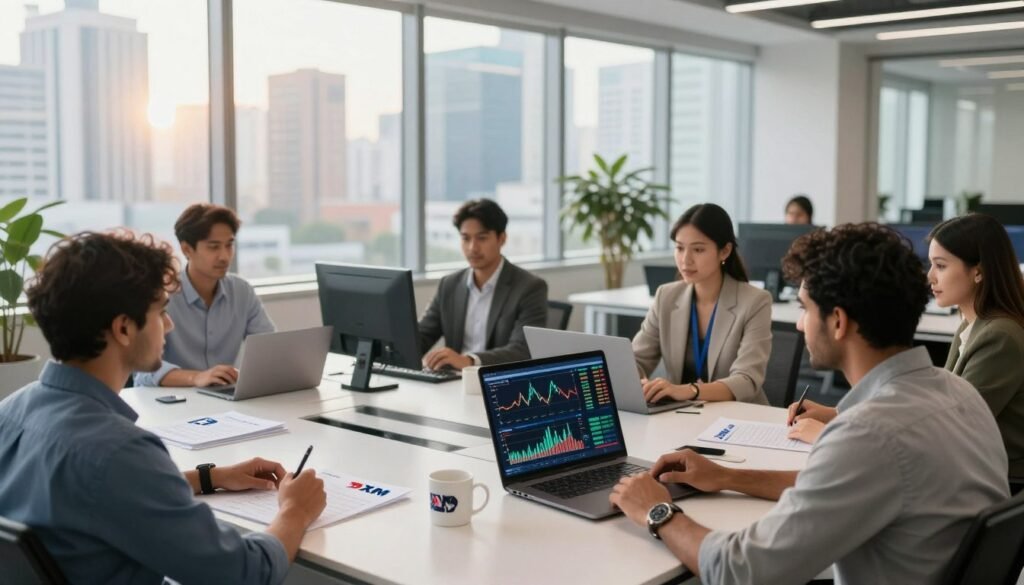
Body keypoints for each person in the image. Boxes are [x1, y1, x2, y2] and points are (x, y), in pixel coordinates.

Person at [610, 223, 1008, 585]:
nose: (799, 325)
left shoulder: (869, 435)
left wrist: (658, 512)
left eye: (804, 309)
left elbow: (742, 571)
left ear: (838, 321)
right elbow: (833, 485)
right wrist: (728, 477)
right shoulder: (959, 394)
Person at [0, 231, 327, 584]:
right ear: (124, 328)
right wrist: (295, 510)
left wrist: (209, 478)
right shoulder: (118, 452)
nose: (168, 325)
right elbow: (244, 574)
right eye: (160, 311)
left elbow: (91, 495)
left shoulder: (11, 412)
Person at [632, 203, 771, 405]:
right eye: (679, 248)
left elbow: (747, 380)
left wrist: (688, 391)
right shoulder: (666, 296)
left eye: (698, 249)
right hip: (683, 415)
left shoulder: (755, 301)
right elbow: (635, 360)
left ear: (724, 251)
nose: (685, 260)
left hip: (738, 417)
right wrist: (639, 382)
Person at [134, 203, 274, 387]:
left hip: (223, 398)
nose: (224, 256)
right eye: (213, 247)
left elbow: (270, 349)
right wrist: (196, 377)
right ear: (187, 249)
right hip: (171, 403)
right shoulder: (162, 295)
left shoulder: (242, 291)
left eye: (229, 245)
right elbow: (143, 373)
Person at [928, 213, 1024, 478]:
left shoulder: (1000, 336)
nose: (930, 277)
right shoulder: (972, 324)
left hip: (1001, 483)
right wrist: (839, 415)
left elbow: (952, 425)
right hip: (970, 467)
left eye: (941, 266)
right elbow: (938, 405)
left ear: (978, 271)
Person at [418, 198, 548, 369]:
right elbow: (423, 336)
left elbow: (523, 350)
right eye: (465, 239)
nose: (472, 248)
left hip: (498, 382)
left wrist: (469, 361)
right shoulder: (449, 285)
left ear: (502, 238)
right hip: (453, 382)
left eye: (482, 238)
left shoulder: (530, 287)